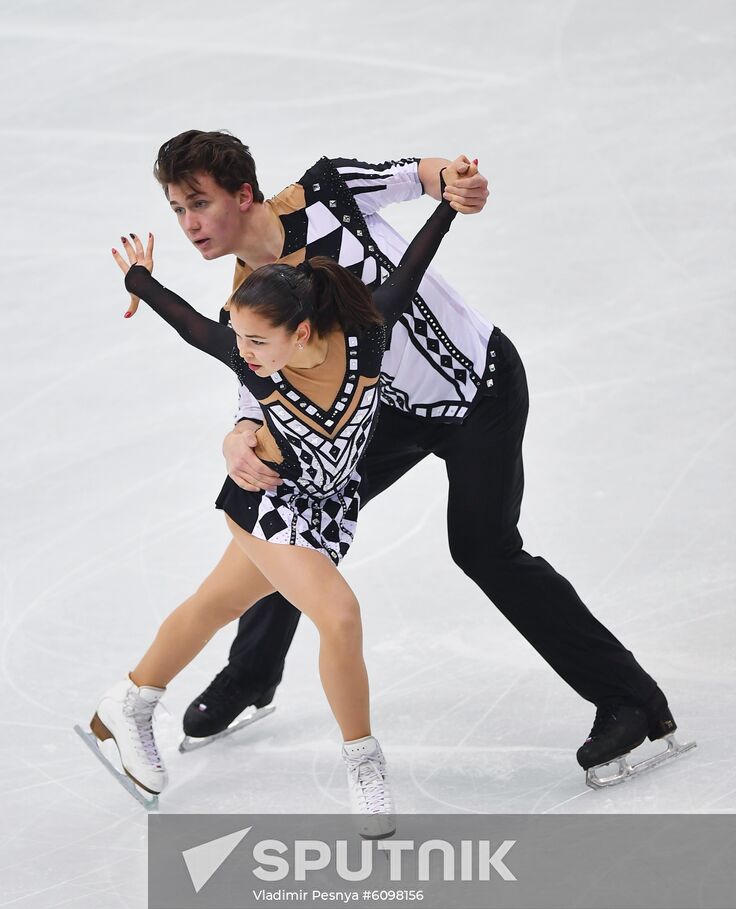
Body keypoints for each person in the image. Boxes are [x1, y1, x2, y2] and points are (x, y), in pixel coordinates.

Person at [141, 130, 686, 781]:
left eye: (197, 203)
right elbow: (257, 376)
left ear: (244, 193)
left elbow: (420, 176)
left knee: (485, 549)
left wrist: (457, 183)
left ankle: (633, 703)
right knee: (292, 508)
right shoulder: (252, 290)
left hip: (477, 388)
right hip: (388, 416)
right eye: (177, 209)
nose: (189, 224)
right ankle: (252, 675)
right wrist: (238, 435)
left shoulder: (327, 192)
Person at [82, 166, 463, 829]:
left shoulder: (367, 338)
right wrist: (139, 280)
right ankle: (364, 763)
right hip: (269, 503)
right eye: (243, 339)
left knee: (215, 604)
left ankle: (130, 702)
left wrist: (448, 206)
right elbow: (190, 324)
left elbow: (409, 270)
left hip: (329, 507)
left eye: (259, 340)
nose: (246, 354)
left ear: (306, 331)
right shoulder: (252, 365)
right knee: (339, 616)